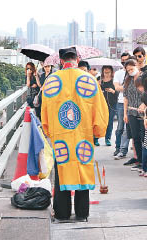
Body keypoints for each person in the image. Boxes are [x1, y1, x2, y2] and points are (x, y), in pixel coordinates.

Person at [41, 47, 108, 222]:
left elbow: (45, 109)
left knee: (62, 168)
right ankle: (82, 212)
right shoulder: (89, 79)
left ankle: (62, 212)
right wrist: (98, 130)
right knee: (83, 167)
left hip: (61, 134)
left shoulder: (52, 80)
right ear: (77, 59)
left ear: (61, 61)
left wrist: (48, 130)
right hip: (83, 133)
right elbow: (100, 108)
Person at [123, 59, 145, 171]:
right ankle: (139, 160)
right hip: (131, 112)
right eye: (128, 70)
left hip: (143, 112)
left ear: (136, 66)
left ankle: (146, 162)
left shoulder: (144, 77)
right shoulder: (128, 80)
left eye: (131, 69)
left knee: (144, 137)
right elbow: (125, 98)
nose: (130, 71)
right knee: (135, 137)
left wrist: (144, 104)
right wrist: (125, 113)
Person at [113, 53, 131, 158]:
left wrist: (123, 87)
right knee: (120, 127)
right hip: (120, 103)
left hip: (131, 103)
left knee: (126, 128)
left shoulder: (132, 73)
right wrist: (128, 88)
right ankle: (117, 147)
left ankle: (123, 150)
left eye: (126, 60)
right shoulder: (118, 73)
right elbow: (116, 87)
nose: (124, 62)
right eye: (122, 60)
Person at [100, 65, 119, 147]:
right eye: (105, 72)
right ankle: (96, 138)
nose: (107, 74)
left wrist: (113, 91)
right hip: (101, 104)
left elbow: (119, 93)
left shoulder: (114, 81)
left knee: (110, 121)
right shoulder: (100, 81)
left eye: (108, 72)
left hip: (112, 104)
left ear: (112, 72)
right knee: (100, 121)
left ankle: (107, 138)